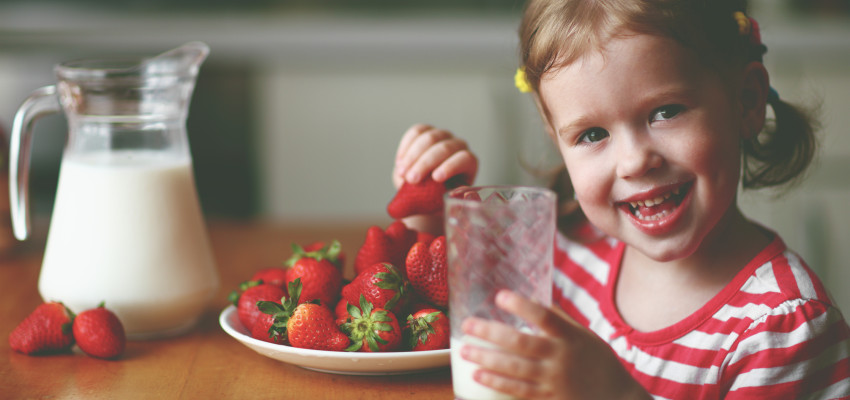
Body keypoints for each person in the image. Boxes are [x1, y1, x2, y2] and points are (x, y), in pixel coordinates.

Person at [392, 0, 850, 399]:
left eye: (665, 112)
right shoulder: (568, 248)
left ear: (746, 101)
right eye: (592, 134)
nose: (633, 162)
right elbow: (456, 323)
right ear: (557, 142)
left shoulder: (782, 331)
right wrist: (434, 216)